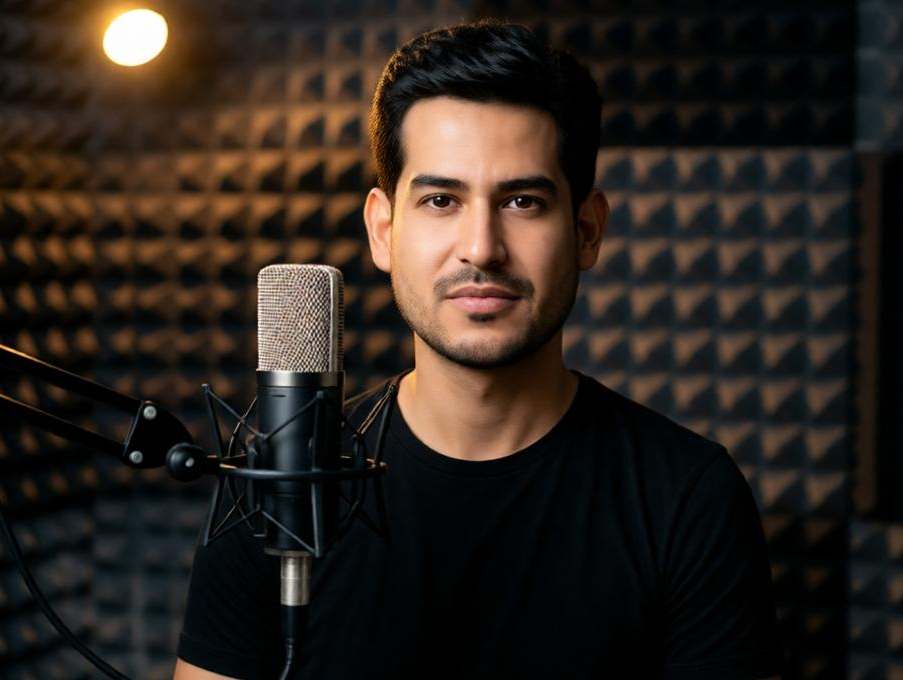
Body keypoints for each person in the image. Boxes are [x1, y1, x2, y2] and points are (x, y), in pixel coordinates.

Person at [174, 20, 784, 680]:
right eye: (441, 200)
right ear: (384, 231)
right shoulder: (276, 484)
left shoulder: (687, 497)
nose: (482, 247)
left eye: (523, 201)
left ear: (586, 231)